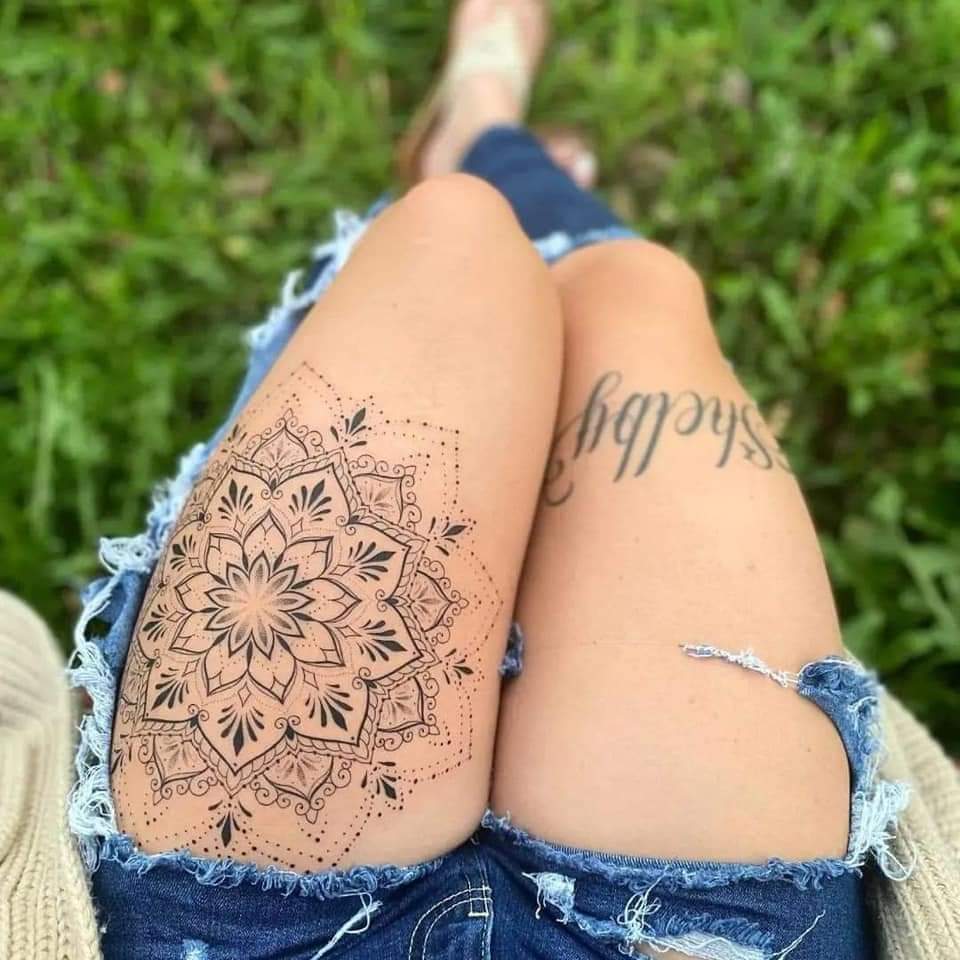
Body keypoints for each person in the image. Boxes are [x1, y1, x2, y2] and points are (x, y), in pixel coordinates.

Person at [65, 2, 919, 958]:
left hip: (258, 925)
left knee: (452, 240)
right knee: (637, 293)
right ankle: (490, 133)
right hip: (697, 931)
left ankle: (479, 128)